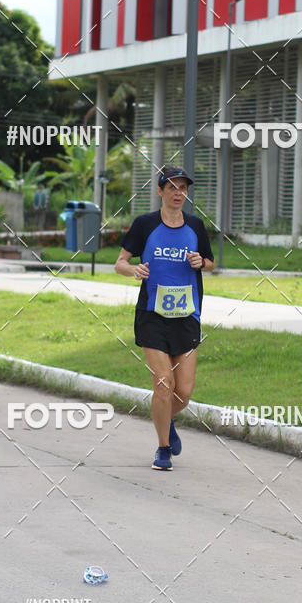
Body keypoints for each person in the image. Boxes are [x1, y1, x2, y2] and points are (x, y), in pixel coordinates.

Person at [114, 166, 214, 470]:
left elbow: (210, 263)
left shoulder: (196, 226)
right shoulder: (145, 224)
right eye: (172, 187)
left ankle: (164, 420)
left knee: (183, 392)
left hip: (187, 315)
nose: (178, 193)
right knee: (163, 384)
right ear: (160, 191)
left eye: (183, 188)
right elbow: (120, 262)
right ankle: (163, 448)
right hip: (152, 314)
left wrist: (201, 263)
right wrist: (133, 270)